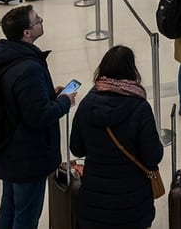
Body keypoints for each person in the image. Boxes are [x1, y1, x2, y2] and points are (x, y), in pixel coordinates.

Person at [0, 5, 77, 229]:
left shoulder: (7, 57)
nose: (41, 21)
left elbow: (21, 101)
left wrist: (48, 95)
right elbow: (39, 116)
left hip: (8, 149)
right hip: (27, 157)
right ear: (27, 33)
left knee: (9, 206)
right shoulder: (28, 68)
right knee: (27, 214)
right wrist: (64, 102)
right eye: (37, 20)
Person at [70, 45, 164, 229]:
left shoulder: (87, 104)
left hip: (95, 201)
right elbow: (153, 156)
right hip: (133, 202)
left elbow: (76, 148)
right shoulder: (140, 107)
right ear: (132, 70)